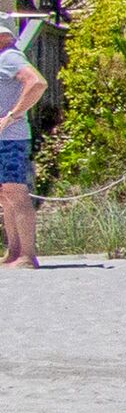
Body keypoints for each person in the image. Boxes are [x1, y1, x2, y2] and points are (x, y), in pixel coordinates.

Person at [0, 18, 43, 271]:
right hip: (5, 137)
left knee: (16, 192)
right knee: (5, 195)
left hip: (12, 137)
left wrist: (12, 115)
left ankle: (27, 254)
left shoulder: (11, 58)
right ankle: (14, 252)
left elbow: (37, 83)